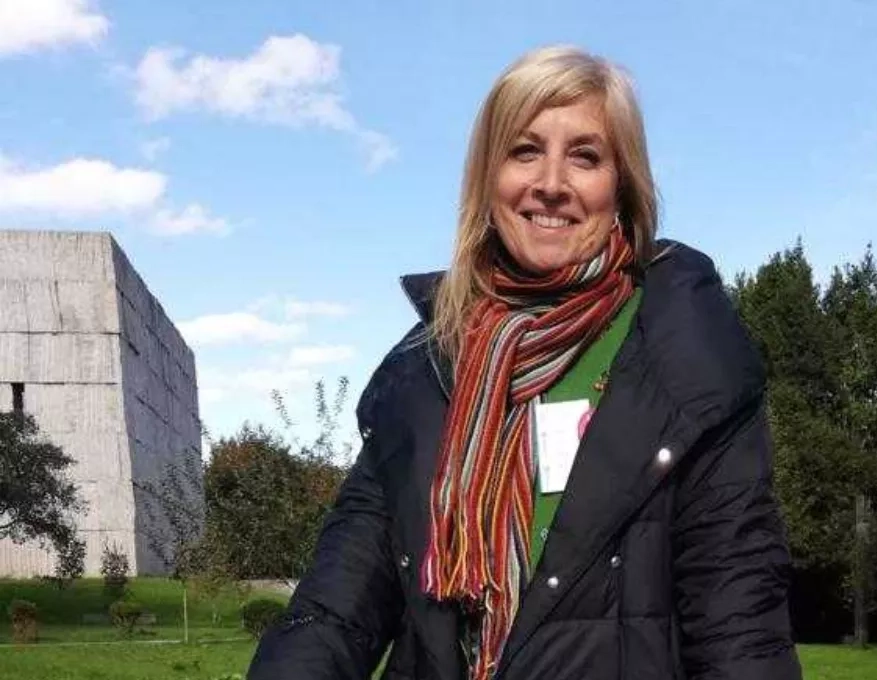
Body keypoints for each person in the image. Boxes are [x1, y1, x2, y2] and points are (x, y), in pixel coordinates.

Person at [246, 45, 801, 680]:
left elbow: (740, 627)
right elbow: (334, 609)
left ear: (622, 184)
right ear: (489, 177)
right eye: (524, 150)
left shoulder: (690, 359)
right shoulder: (424, 368)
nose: (552, 184)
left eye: (585, 156)